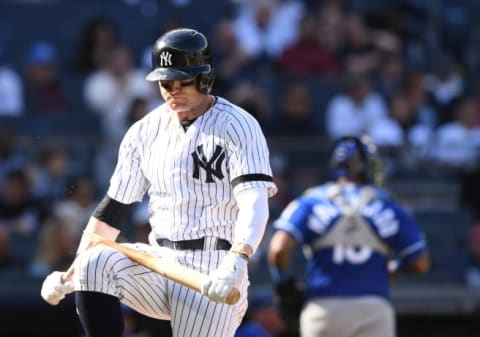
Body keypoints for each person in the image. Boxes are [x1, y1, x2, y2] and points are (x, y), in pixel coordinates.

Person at [40, 27, 277, 337]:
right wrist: (71, 274)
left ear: (205, 79)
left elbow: (254, 203)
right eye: (166, 82)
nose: (172, 90)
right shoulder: (144, 130)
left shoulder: (239, 125)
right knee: (94, 261)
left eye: (182, 82)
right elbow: (113, 210)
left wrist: (237, 259)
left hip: (214, 266)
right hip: (157, 260)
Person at [267, 135, 430, 337]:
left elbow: (278, 250)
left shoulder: (310, 201)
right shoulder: (388, 205)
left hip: (324, 309)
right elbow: (420, 262)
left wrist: (283, 284)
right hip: (372, 309)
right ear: (366, 166)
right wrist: (395, 268)